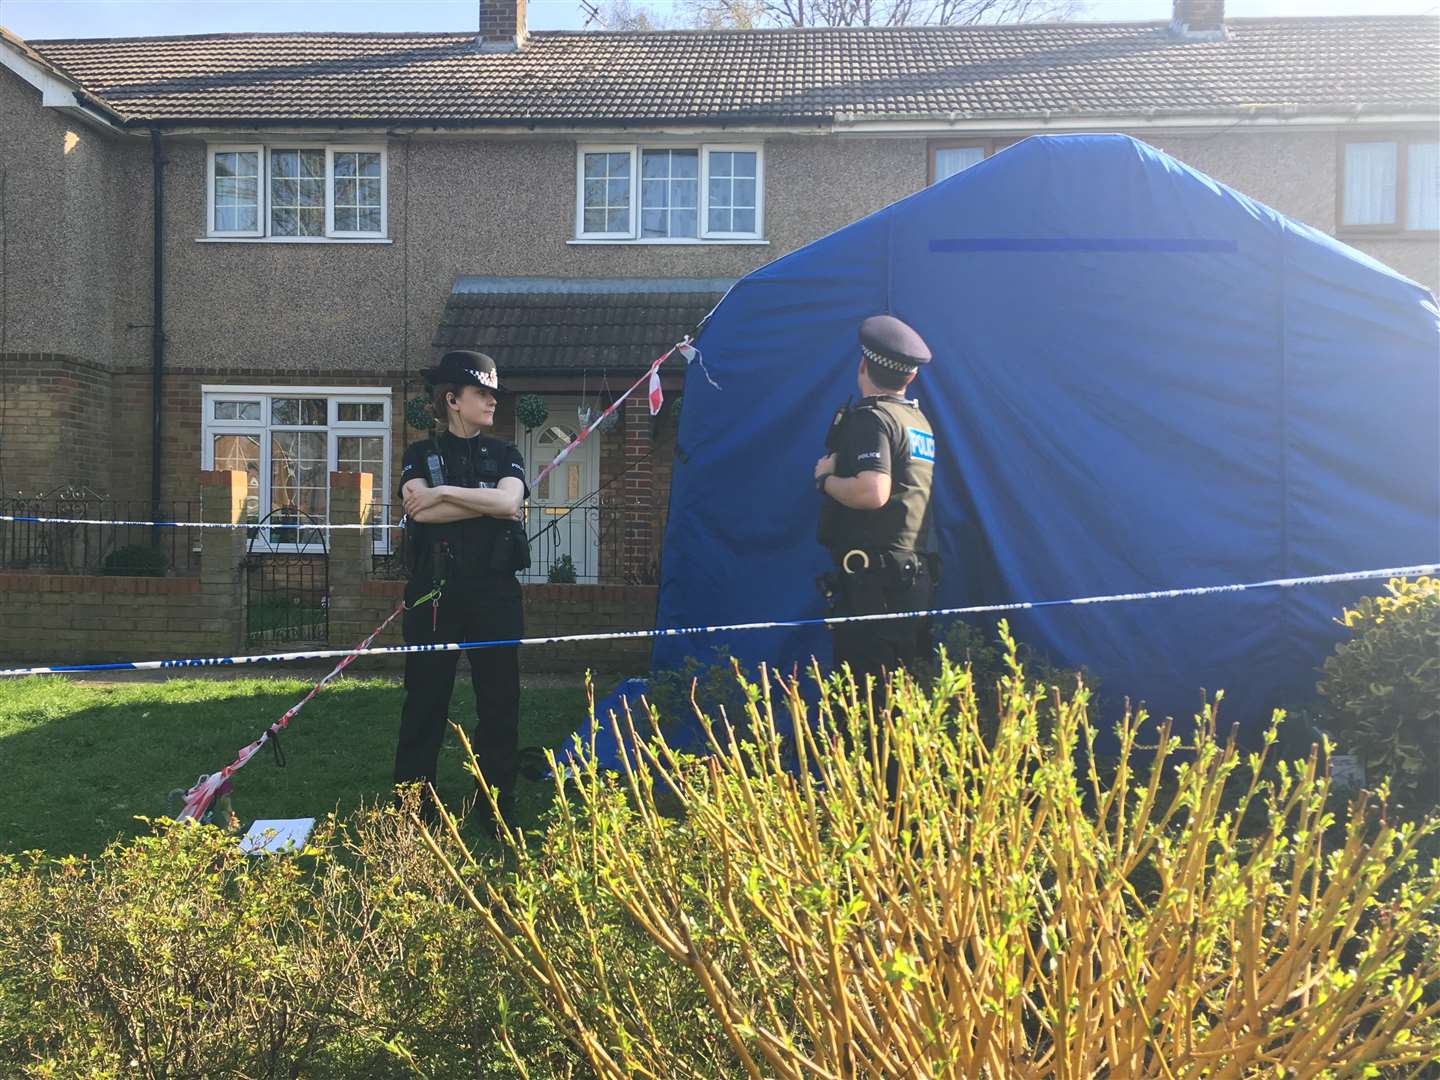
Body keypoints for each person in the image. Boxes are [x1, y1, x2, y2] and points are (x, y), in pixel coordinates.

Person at [394, 349, 530, 826]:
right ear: (452, 399)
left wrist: (447, 493)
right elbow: (420, 512)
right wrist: (483, 502)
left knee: (499, 702)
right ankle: (413, 808)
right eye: (482, 392)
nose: (492, 400)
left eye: (494, 392)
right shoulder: (420, 455)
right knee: (425, 700)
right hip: (435, 593)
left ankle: (495, 805)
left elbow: (510, 503)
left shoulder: (505, 453)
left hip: (494, 594)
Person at [815, 315, 937, 689]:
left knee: (868, 703)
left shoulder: (873, 419)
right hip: (912, 578)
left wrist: (826, 479)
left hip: (875, 585)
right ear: (911, 376)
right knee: (904, 697)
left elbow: (872, 492)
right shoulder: (916, 421)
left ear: (863, 364)